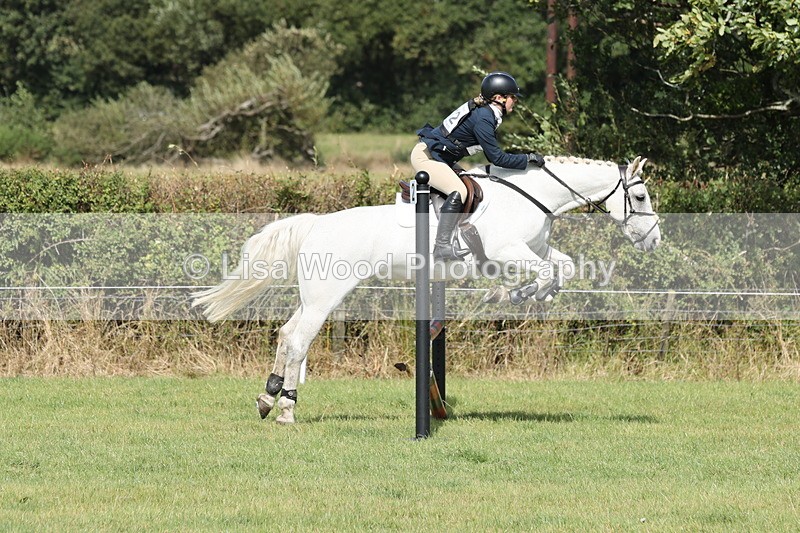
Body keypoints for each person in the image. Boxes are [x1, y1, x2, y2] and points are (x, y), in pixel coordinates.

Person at [411, 71, 546, 261]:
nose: (515, 101)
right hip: (427, 157)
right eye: (512, 97)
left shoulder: (487, 114)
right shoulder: (484, 118)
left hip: (441, 158)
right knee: (459, 191)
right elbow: (497, 158)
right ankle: (441, 246)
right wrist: (527, 159)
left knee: (473, 186)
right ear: (499, 98)